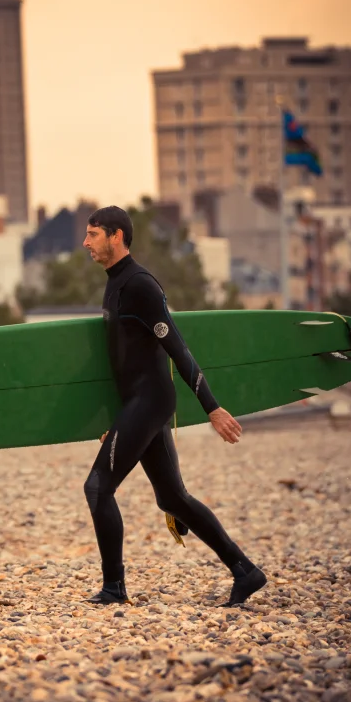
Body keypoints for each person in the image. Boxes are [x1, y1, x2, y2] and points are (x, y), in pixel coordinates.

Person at [82, 205, 266, 607]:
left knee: (97, 488)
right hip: (138, 404)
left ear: (117, 237)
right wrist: (116, 418)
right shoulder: (114, 283)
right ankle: (245, 570)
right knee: (173, 499)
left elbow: (178, 349)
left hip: (149, 403)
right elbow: (124, 359)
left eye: (93, 234)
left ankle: (114, 586)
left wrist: (211, 408)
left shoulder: (141, 285)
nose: (86, 242)